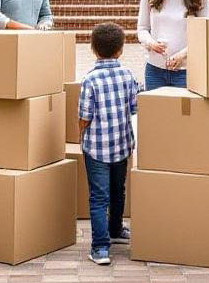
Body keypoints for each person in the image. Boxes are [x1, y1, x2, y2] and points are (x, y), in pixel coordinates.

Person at [78, 22, 139, 266]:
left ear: (93, 49)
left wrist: (81, 134)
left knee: (98, 197)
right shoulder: (128, 75)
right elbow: (134, 107)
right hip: (121, 145)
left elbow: (84, 117)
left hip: (96, 149)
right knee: (118, 190)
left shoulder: (89, 80)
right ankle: (116, 230)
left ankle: (100, 248)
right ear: (120, 50)